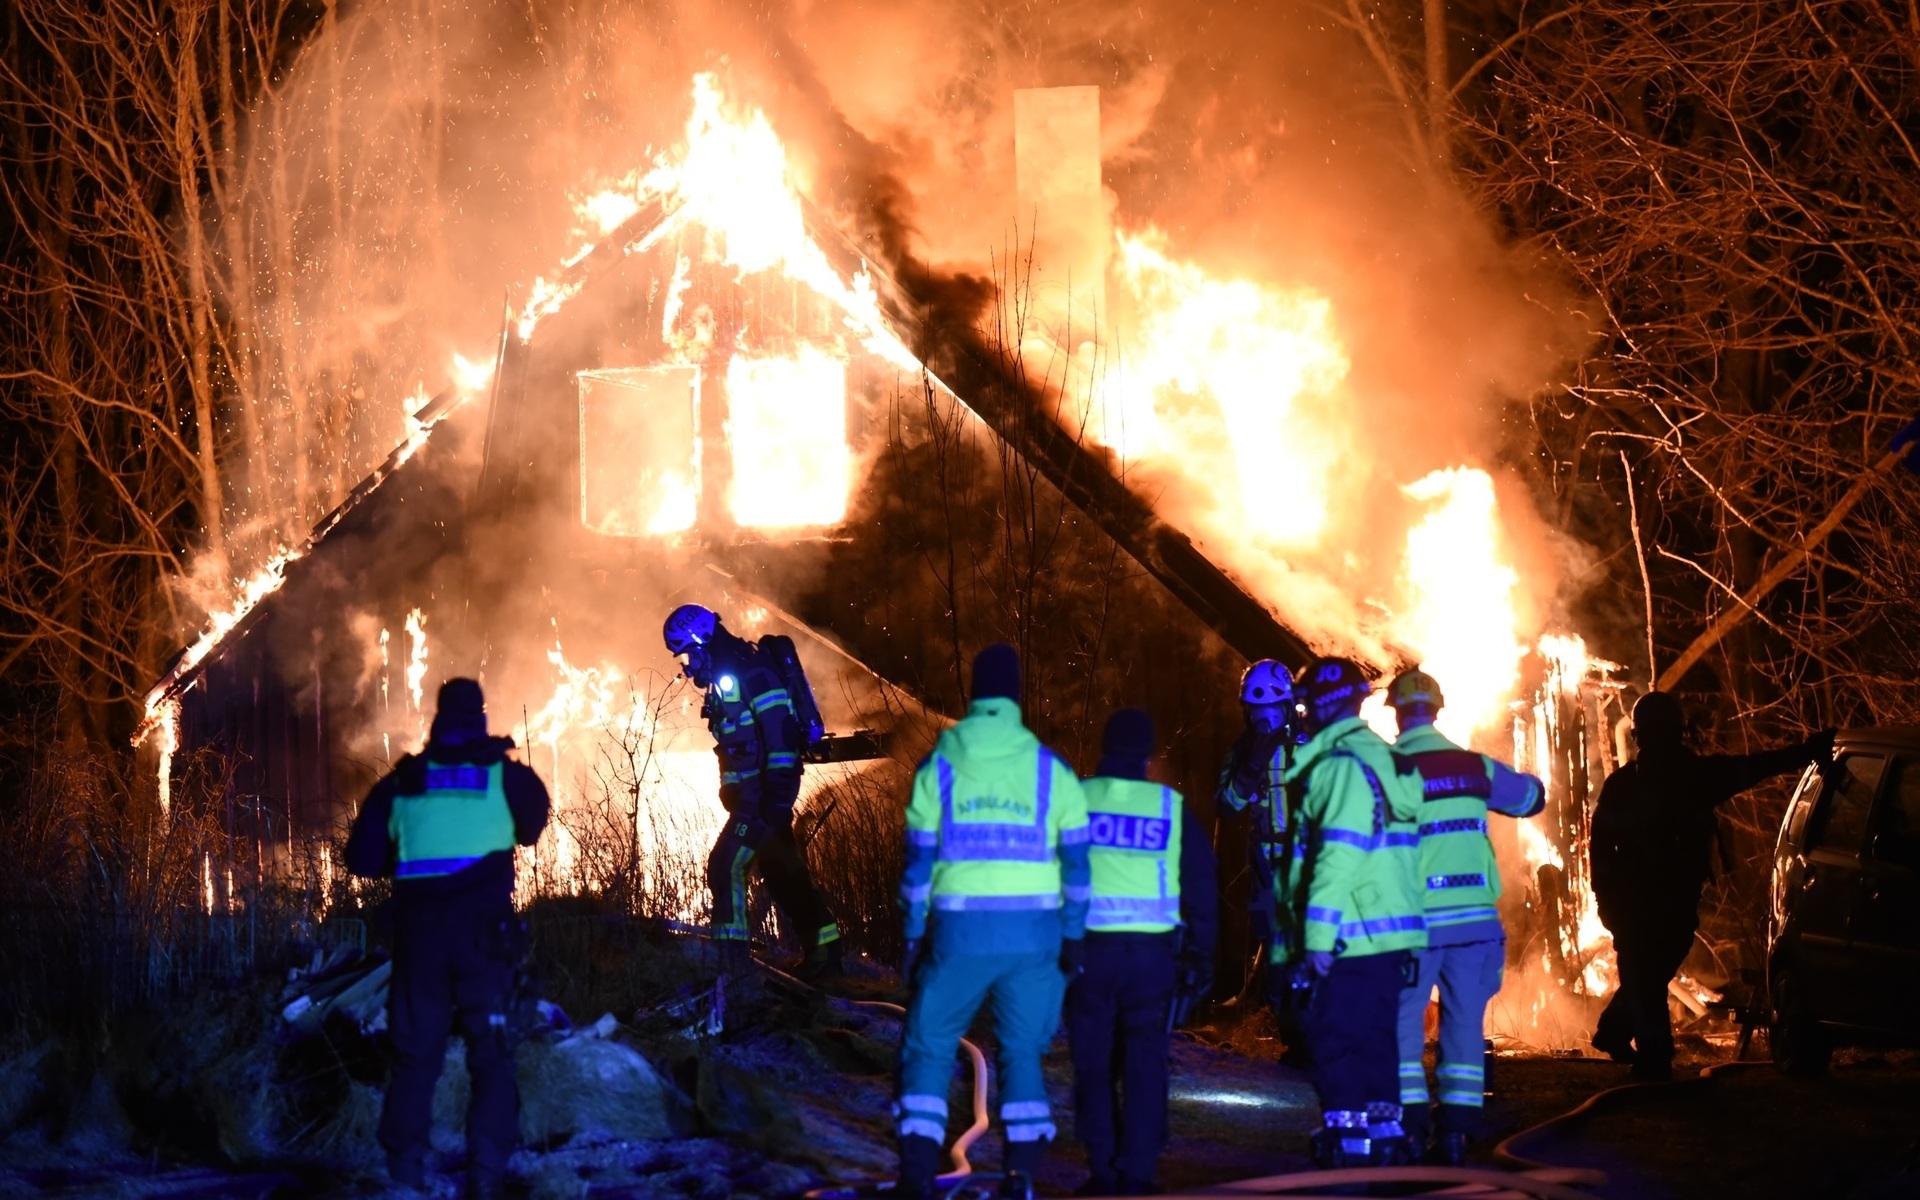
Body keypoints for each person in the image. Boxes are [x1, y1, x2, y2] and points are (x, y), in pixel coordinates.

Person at [895, 644, 1091, 1200]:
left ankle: (915, 1174)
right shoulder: (1052, 772)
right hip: (1036, 938)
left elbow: (917, 866)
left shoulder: (940, 767)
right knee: (1022, 1051)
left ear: (974, 696)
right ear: (1016, 697)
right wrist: (1074, 937)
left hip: (959, 933)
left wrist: (912, 933)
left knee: (930, 1044)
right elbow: (1078, 870)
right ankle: (1021, 1175)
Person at [346, 678, 551, 1200]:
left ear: (436, 719)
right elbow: (531, 829)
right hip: (486, 941)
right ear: (480, 717)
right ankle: (486, 1176)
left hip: (421, 942)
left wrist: (409, 858)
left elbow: (361, 860)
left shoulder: (402, 783)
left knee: (415, 1058)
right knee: (494, 1056)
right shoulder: (509, 779)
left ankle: (405, 1174)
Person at [1588, 691, 1833, 1080]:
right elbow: (1601, 846)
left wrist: (1806, 752)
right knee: (1646, 974)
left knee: (1646, 972)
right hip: (1644, 901)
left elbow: (1753, 767)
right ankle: (1653, 1057)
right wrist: (1605, 898)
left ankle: (1615, 1030)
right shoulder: (1671, 781)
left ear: (1638, 737)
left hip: (1656, 901)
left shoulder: (1664, 781)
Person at [1386, 669, 1544, 1164]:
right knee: (1462, 1026)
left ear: (1395, 712)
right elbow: (1530, 798)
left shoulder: (1385, 769)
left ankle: (1410, 1130)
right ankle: (1456, 1133)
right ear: (1437, 710)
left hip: (1411, 925)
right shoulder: (1474, 767)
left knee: (1402, 1024)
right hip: (1473, 926)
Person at [1276, 656, 1427, 1168]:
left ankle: (1348, 1152)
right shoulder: (1386, 760)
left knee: (1335, 1042)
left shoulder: (1340, 767)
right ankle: (1384, 1140)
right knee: (1376, 1042)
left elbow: (1336, 858)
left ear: (1318, 705)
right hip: (1388, 936)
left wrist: (1316, 942)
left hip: (1350, 935)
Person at [1067, 708, 1220, 1196]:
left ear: (1104, 747)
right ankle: (1138, 1170)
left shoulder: (1076, 800)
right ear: (1149, 755)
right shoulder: (1170, 808)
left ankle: (1103, 1169)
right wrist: (1200, 953)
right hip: (1152, 957)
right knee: (1145, 1060)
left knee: (1092, 1062)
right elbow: (1201, 886)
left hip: (1089, 954)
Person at [662, 603, 841, 980]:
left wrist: (775, 799)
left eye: (684, 654)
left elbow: (779, 739)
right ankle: (826, 953)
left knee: (726, 866)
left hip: (764, 797)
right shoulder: (726, 679)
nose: (684, 666)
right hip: (752, 797)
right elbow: (733, 746)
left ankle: (734, 970)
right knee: (783, 872)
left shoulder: (752, 672)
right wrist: (731, 790)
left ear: (701, 642)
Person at [1214, 659, 1300, 1014]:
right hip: (1264, 861)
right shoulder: (1242, 751)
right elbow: (1227, 805)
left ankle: (1292, 1013)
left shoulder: (1308, 744)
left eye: (1270, 711)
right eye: (1255, 711)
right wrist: (1250, 768)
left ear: (1286, 707)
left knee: (1305, 937)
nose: (1262, 719)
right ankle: (1270, 1011)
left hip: (1305, 858)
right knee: (1269, 933)